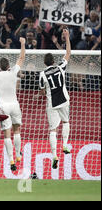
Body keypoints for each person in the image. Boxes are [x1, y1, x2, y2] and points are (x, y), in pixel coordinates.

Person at [0, 37, 26, 172]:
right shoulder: (13, 72)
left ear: (0, 66)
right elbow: (21, 58)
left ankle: (11, 159)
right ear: (8, 66)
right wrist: (22, 44)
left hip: (3, 107)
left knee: (7, 135)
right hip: (14, 105)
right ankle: (18, 154)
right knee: (17, 131)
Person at [39, 29, 72, 170]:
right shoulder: (60, 67)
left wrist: (42, 93)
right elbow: (68, 53)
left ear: (45, 64)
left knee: (52, 130)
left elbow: (41, 91)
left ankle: (54, 156)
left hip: (51, 103)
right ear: (53, 61)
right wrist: (67, 37)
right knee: (65, 122)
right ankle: (65, 144)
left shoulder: (42, 74)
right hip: (64, 100)